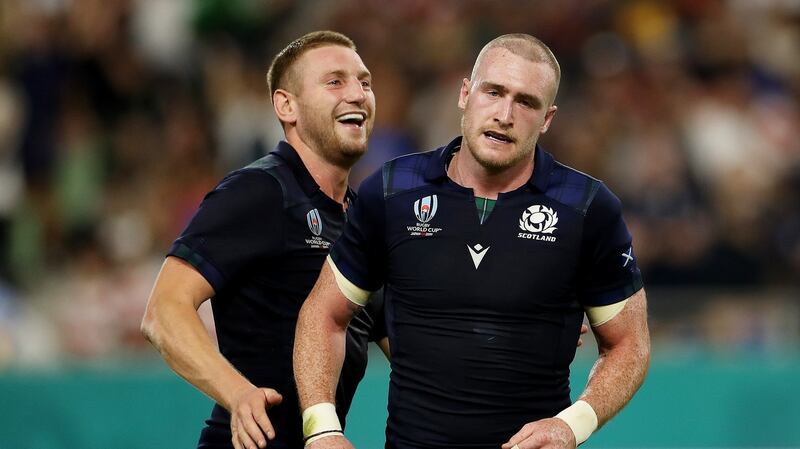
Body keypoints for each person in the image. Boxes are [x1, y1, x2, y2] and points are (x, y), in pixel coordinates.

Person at [293, 33, 651, 449]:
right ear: (466, 93)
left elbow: (630, 343)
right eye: (493, 91)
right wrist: (321, 426)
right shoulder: (392, 191)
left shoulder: (587, 207)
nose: (504, 113)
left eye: (526, 102)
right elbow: (323, 313)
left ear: (547, 118)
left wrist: (572, 424)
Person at [140, 31, 388, 449]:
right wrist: (237, 393)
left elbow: (410, 347)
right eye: (334, 81)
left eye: (364, 82)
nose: (357, 94)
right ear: (285, 105)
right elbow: (163, 311)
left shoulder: (363, 222)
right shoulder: (259, 192)